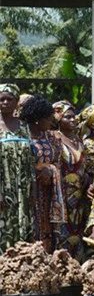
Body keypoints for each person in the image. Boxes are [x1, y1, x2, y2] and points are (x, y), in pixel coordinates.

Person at [22, 95, 66, 253]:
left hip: (48, 193)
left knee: (47, 232)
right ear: (37, 119)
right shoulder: (22, 137)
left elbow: (58, 163)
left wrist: (51, 170)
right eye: (48, 119)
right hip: (28, 192)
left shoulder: (53, 139)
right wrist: (37, 168)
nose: (51, 122)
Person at [52, 101, 88, 260]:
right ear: (58, 118)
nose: (73, 120)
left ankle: (77, 268)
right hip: (62, 193)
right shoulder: (54, 138)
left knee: (78, 229)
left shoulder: (79, 139)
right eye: (67, 117)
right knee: (63, 230)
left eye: (74, 117)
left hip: (80, 194)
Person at [0, 84, 34, 252]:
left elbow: (31, 158)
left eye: (9, 99)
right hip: (3, 188)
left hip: (22, 189)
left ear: (16, 102)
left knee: (23, 224)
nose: (5, 102)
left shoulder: (24, 127)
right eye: (1, 99)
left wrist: (32, 187)